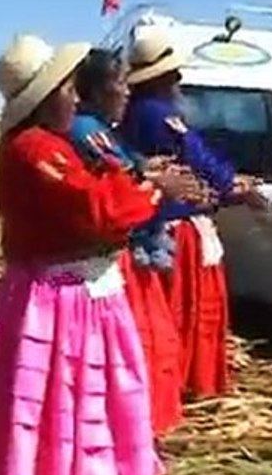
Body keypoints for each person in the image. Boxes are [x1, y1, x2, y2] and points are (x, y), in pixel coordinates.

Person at [0, 33, 195, 475]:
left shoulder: (52, 143)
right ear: (44, 97)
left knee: (74, 402)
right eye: (67, 88)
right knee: (60, 403)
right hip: (58, 301)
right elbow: (96, 208)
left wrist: (142, 182)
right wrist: (154, 189)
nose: (75, 96)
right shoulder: (32, 149)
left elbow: (105, 191)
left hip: (80, 292)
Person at [120, 25, 266, 401]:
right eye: (173, 73)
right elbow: (195, 156)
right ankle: (185, 383)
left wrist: (230, 181)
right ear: (162, 78)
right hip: (172, 227)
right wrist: (233, 185)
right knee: (186, 310)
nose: (179, 79)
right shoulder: (158, 113)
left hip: (158, 222)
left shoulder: (138, 111)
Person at [68, 48, 208, 436]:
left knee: (148, 346)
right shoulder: (87, 131)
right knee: (136, 351)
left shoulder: (104, 129)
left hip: (132, 252)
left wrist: (153, 170)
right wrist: (158, 183)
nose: (126, 92)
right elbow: (119, 186)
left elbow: (132, 167)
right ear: (97, 90)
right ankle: (128, 434)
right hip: (116, 260)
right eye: (119, 83)